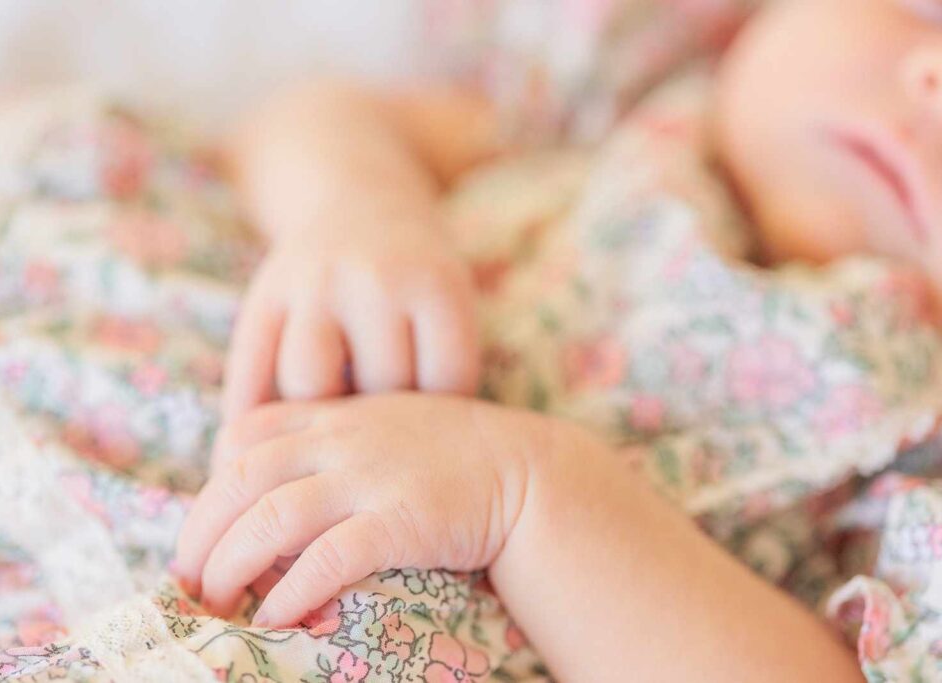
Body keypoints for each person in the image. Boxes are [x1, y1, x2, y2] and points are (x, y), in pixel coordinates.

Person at [170, 0, 942, 680]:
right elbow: (304, 121)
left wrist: (526, 491)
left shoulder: (918, 461)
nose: (934, 71)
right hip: (192, 433)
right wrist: (357, 203)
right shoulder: (608, 123)